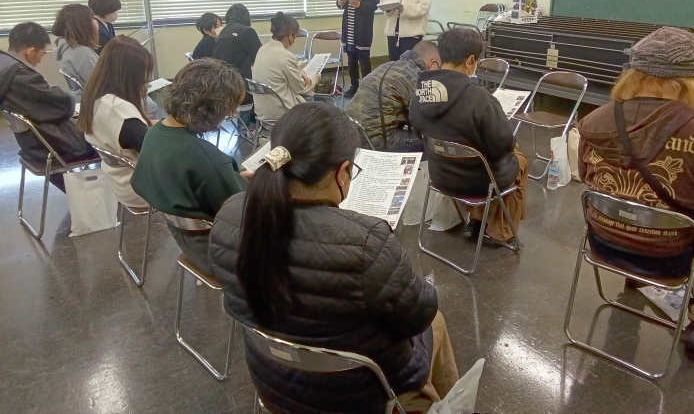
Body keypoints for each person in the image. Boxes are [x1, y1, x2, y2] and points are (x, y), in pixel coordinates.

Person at [209, 102, 458, 414]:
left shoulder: (230, 214)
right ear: (341, 172)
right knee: (436, 320)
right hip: (358, 396)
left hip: (274, 385)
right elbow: (418, 313)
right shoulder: (366, 240)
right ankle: (449, 407)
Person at [577, 26, 694, 360]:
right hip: (670, 257)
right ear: (689, 79)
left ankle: (632, 279)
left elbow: (586, 177)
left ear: (635, 72)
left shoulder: (594, 119)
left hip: (605, 243)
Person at [409, 28, 528, 243]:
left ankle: (476, 220)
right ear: (470, 60)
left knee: (483, 158)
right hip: (478, 184)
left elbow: (419, 132)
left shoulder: (419, 94)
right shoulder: (480, 99)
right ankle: (500, 231)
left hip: (440, 177)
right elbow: (504, 146)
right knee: (518, 159)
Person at [131, 58, 248, 275]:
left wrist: (232, 176)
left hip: (191, 245)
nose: (230, 115)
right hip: (226, 256)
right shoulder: (207, 159)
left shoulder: (155, 134)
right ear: (212, 109)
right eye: (228, 109)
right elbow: (246, 213)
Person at [0, 22, 95, 193]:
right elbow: (60, 104)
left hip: (30, 143)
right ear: (30, 52)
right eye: (42, 54)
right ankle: (93, 195)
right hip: (48, 146)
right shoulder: (21, 77)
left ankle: (81, 194)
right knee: (103, 143)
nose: (40, 60)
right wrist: (66, 97)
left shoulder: (4, 64)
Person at [77, 36, 155, 208]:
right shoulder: (122, 113)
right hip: (142, 189)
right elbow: (157, 155)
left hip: (119, 183)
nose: (143, 82)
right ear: (129, 76)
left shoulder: (94, 98)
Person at [345, 41, 441, 152]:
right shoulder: (418, 77)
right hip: (376, 143)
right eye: (440, 67)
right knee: (435, 138)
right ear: (432, 64)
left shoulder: (387, 65)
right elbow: (428, 119)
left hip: (352, 135)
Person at [251, 12, 320, 122]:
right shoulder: (286, 56)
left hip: (262, 115)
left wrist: (299, 72)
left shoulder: (262, 50)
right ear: (290, 36)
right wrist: (315, 79)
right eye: (295, 36)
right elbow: (301, 89)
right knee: (312, 97)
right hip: (282, 115)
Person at [336, 0, 380, 98]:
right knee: (351, 57)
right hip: (349, 24)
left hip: (363, 27)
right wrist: (339, 2)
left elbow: (374, 4)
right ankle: (354, 85)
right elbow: (339, 0)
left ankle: (368, 87)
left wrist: (360, 4)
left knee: (363, 57)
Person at [52, 4, 100, 99]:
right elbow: (101, 85)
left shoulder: (68, 48)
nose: (95, 21)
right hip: (92, 102)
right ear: (83, 25)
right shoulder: (82, 53)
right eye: (92, 18)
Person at [213, 3, 262, 82]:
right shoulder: (247, 31)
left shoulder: (224, 30)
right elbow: (260, 56)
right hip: (239, 80)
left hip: (222, 77)